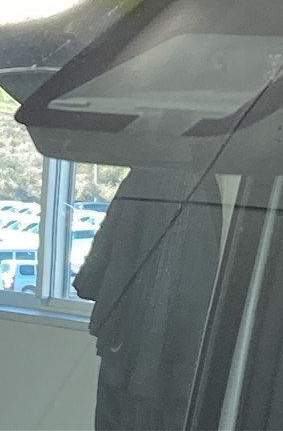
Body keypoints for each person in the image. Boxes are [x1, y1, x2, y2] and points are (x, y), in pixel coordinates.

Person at [74, 168, 222, 430]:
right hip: (162, 353)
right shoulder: (201, 182)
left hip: (135, 346)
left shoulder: (150, 176)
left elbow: (96, 270)